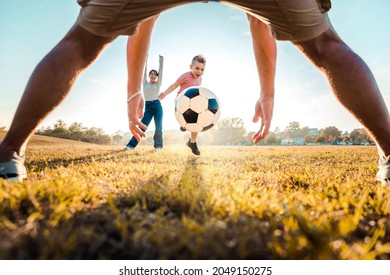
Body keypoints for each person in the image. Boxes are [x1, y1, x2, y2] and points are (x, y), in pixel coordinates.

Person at [0, 1, 389, 187]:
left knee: (81, 42)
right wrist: (266, 92)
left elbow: (144, 17)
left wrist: (134, 89)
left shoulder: (196, 78)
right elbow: (259, 18)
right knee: (325, 44)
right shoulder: (187, 76)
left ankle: (8, 152)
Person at [158, 54, 206, 155]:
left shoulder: (200, 79)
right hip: (181, 102)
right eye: (197, 68)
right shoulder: (185, 76)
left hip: (193, 104)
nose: (199, 72)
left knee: (197, 121)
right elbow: (175, 85)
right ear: (190, 67)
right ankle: (183, 123)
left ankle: (192, 142)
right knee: (187, 114)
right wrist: (165, 94)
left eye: (202, 70)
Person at [125, 53, 164, 150]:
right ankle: (130, 145)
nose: (153, 75)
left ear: (157, 76)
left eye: (155, 74)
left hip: (157, 105)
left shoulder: (158, 84)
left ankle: (158, 146)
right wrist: (145, 59)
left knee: (158, 127)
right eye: (151, 73)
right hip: (148, 107)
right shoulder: (145, 82)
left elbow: (161, 72)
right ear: (149, 75)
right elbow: (143, 71)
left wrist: (161, 62)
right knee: (142, 127)